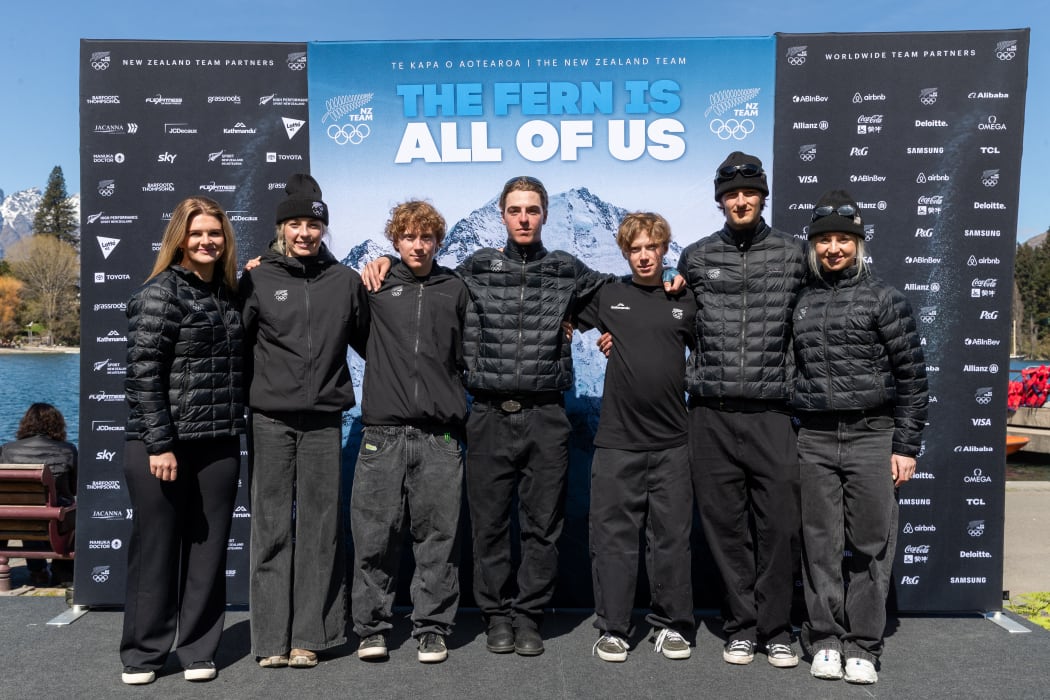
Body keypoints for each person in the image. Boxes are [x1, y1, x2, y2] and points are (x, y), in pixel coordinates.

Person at [363, 176, 613, 656]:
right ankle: (497, 615)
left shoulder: (568, 269)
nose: (524, 218)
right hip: (488, 416)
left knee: (542, 525)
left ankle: (529, 616)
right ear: (502, 214)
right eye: (515, 210)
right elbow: (425, 283)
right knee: (490, 523)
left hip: (546, 417)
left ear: (544, 215)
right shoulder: (473, 268)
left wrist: (622, 324)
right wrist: (385, 262)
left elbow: (622, 303)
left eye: (533, 210)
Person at [791, 189, 927, 685]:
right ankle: (825, 638)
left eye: (842, 239)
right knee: (819, 543)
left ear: (858, 243)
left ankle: (863, 644)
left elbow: (913, 378)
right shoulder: (800, 301)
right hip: (816, 438)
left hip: (874, 436)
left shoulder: (885, 298)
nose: (833, 248)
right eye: (824, 239)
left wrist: (906, 446)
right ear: (813, 245)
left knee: (871, 545)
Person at [679, 152, 807, 668]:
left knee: (778, 527)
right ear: (719, 199)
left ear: (762, 195)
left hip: (772, 413)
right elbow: (674, 320)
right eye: (731, 194)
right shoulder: (695, 256)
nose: (740, 200)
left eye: (749, 192)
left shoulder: (797, 254)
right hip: (709, 413)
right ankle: (741, 625)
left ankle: (777, 629)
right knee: (725, 528)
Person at [240, 173, 369, 669]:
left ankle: (309, 637)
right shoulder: (256, 279)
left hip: (323, 423)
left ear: (323, 230)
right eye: (294, 223)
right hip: (270, 419)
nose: (304, 232)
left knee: (320, 529)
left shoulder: (346, 282)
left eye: (312, 224)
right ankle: (271, 639)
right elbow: (231, 343)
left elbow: (374, 343)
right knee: (271, 528)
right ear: (280, 229)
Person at [120, 196, 245, 685]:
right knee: (156, 551)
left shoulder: (231, 295)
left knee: (208, 552)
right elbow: (142, 375)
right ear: (179, 239)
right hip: (161, 445)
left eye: (214, 233)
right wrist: (160, 444)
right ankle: (143, 654)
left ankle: (198, 649)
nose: (206, 241)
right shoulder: (160, 294)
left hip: (217, 443)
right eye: (196, 234)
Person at [350, 200, 468, 664]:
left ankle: (432, 627)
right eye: (408, 237)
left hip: (439, 436)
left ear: (438, 241)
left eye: (427, 237)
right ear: (395, 241)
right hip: (383, 434)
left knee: (438, 537)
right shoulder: (375, 286)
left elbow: (469, 349)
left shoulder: (454, 288)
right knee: (374, 535)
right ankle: (372, 628)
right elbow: (355, 331)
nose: (418, 246)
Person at [578, 213, 697, 663]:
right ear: (625, 253)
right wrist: (599, 337)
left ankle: (672, 625)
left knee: (671, 537)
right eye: (635, 249)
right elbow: (566, 319)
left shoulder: (685, 299)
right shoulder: (609, 295)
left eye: (652, 247)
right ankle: (613, 627)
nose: (644, 256)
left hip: (672, 440)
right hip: (617, 441)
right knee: (613, 538)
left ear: (665, 249)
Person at [0, 402, 78, 586]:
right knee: (74, 511)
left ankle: (37, 572)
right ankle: (63, 571)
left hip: (13, 520)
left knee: (25, 510)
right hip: (55, 520)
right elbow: (74, 489)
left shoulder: (7, 450)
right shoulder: (67, 450)